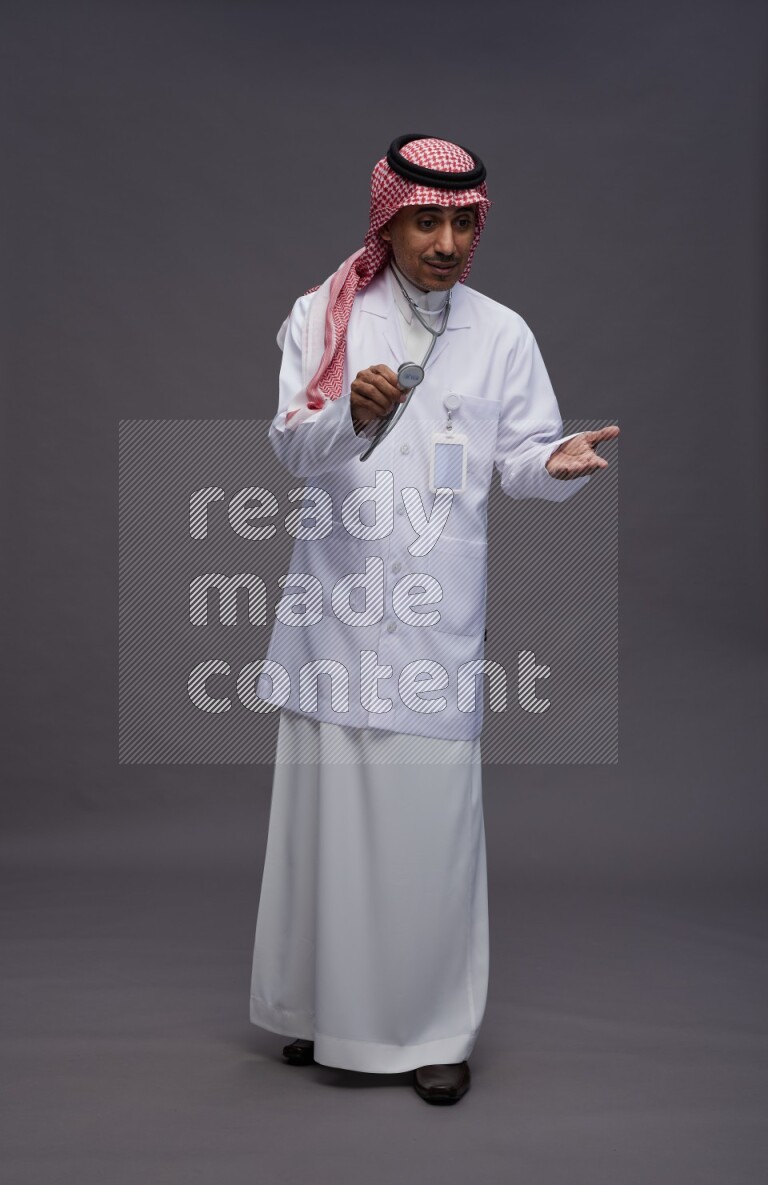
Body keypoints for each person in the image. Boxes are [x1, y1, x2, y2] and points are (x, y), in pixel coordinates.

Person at [249, 134, 619, 1105]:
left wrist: (555, 466)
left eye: (462, 222)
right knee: (324, 832)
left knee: (427, 838)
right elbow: (292, 447)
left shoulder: (501, 334)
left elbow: (522, 458)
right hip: (335, 614)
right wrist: (351, 414)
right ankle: (318, 1011)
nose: (447, 242)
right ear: (389, 222)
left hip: (431, 624)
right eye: (427, 221)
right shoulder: (325, 315)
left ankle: (434, 1032)